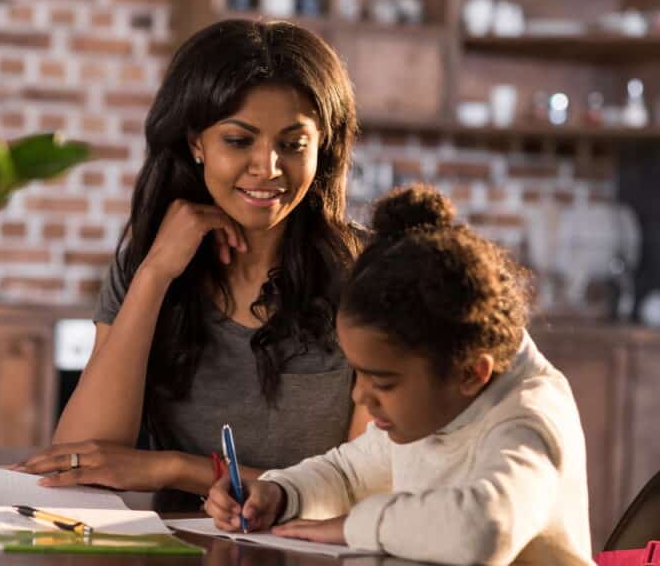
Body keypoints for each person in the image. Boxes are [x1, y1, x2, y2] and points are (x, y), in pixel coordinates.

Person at [14, 18, 370, 510]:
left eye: (293, 144)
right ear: (195, 142)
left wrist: (177, 469)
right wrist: (155, 274)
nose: (267, 167)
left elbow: (369, 486)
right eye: (239, 140)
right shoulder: (147, 268)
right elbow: (80, 463)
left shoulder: (370, 280)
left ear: (322, 146)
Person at [205, 185, 594, 565]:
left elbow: (485, 529)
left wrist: (356, 526)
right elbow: (349, 475)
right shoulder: (434, 407)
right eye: (358, 374)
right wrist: (280, 493)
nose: (359, 396)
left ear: (472, 373)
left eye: (383, 382)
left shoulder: (528, 419)